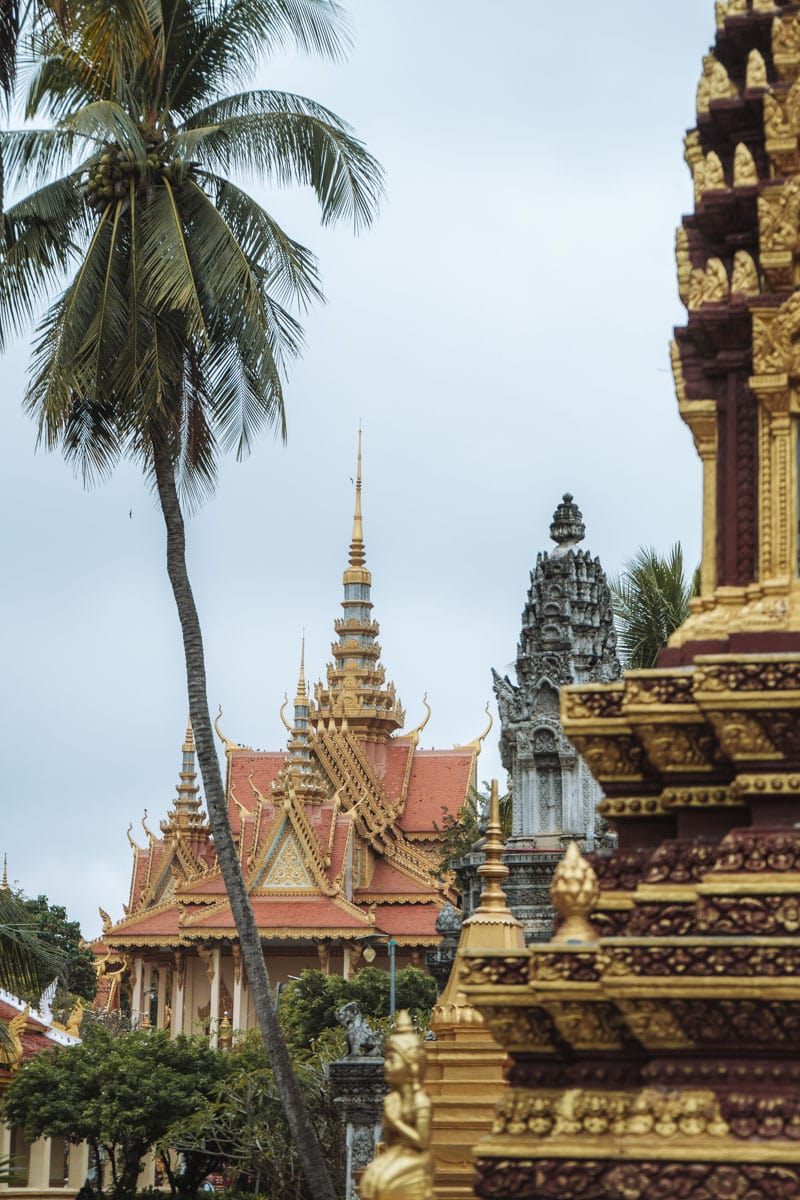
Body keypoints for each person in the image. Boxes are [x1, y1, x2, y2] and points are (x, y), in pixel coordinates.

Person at [359, 1011, 434, 1200]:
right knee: (372, 1179)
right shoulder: (392, 1100)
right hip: (396, 1155)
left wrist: (396, 1121)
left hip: (416, 1159)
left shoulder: (420, 1101)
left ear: (411, 1065)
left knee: (387, 1183)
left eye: (393, 1060)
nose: (387, 1066)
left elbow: (423, 1142)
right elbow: (390, 1141)